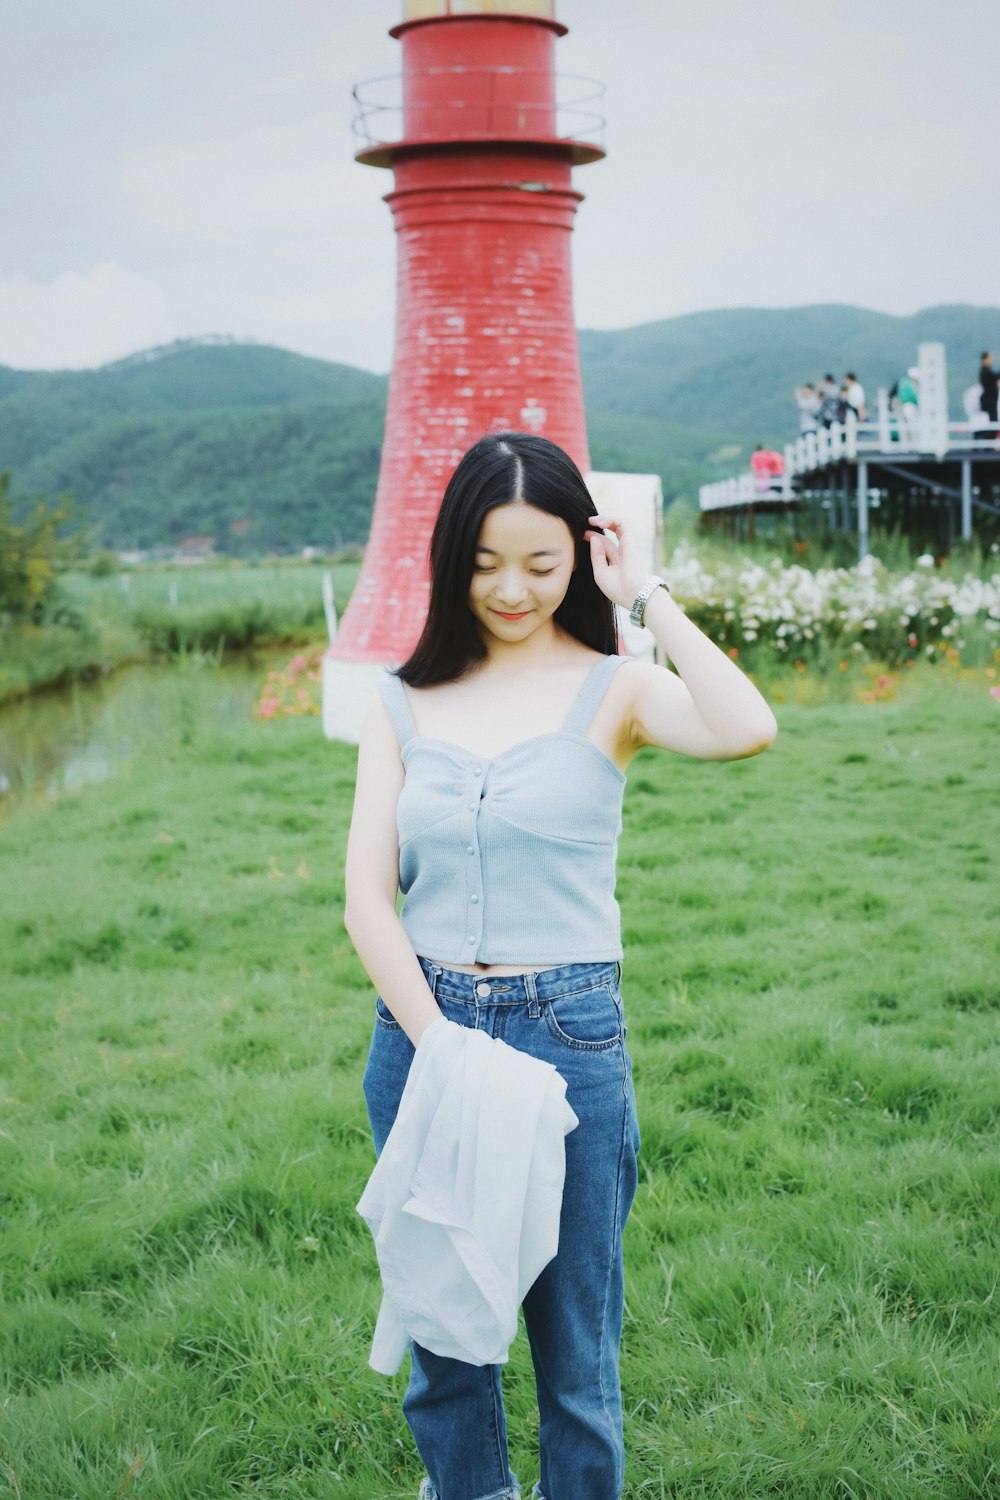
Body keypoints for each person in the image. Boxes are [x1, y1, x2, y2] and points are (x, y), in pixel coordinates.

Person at [344, 430, 778, 1500]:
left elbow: (745, 727)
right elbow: (366, 897)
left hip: (567, 1034)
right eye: (487, 562)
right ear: (452, 559)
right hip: (424, 1033)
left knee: (573, 1354)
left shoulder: (616, 686)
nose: (511, 589)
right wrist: (442, 1047)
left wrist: (650, 594)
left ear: (579, 556)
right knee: (445, 1342)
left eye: (541, 564)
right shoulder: (402, 698)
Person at [980, 351, 998, 425]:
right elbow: (995, 376)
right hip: (988, 401)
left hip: (991, 400)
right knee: (991, 421)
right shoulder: (985, 372)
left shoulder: (987, 371)